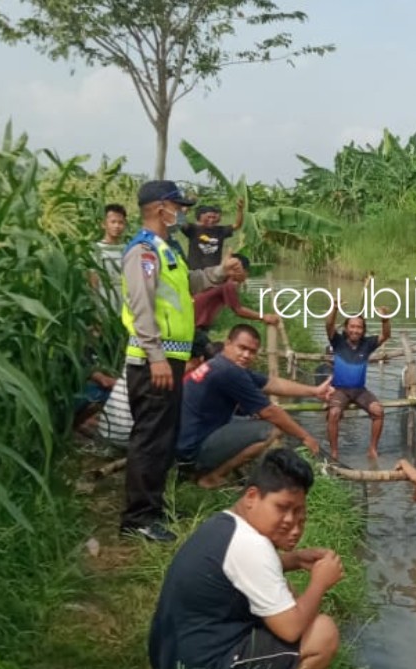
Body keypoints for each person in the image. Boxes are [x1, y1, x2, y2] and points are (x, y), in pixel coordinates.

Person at [120, 179, 244, 543]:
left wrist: (220, 272)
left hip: (169, 359)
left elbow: (189, 283)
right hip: (152, 362)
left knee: (162, 436)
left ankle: (152, 509)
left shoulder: (166, 249)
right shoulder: (143, 251)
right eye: (178, 206)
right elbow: (141, 307)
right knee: (150, 438)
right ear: (161, 208)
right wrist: (156, 356)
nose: (183, 212)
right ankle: (138, 519)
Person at [148, 448, 344, 669]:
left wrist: (295, 560)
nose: (290, 520)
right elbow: (291, 629)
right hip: (201, 660)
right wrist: (320, 582)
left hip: (174, 651)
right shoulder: (251, 545)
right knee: (322, 633)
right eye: (282, 507)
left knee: (281, 591)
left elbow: (233, 573)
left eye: (297, 511)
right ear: (252, 496)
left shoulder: (227, 523)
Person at [177, 324, 335, 489]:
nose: (246, 355)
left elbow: (271, 383)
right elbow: (269, 411)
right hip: (191, 449)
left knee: (246, 420)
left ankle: (203, 470)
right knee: (269, 430)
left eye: (252, 352)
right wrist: (305, 437)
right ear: (228, 343)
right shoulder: (229, 371)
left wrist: (314, 391)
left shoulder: (220, 364)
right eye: (242, 348)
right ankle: (210, 477)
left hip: (186, 439)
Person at [190, 252, 280, 370]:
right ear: (238, 270)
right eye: (246, 271)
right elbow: (238, 309)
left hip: (194, 326)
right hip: (195, 327)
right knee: (210, 359)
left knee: (199, 359)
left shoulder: (218, 281)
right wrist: (264, 317)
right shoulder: (228, 284)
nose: (246, 275)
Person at [324, 300, 391, 459]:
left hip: (360, 390)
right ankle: (334, 451)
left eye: (359, 327)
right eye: (352, 326)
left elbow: (386, 335)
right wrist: (334, 309)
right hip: (340, 390)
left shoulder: (367, 344)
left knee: (378, 411)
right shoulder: (338, 341)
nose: (355, 330)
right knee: (333, 413)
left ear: (363, 330)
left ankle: (372, 449)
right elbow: (329, 326)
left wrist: (385, 319)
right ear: (346, 328)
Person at [181, 198, 244, 269]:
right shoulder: (193, 229)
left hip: (214, 271)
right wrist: (185, 209)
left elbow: (237, 225)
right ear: (200, 217)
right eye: (208, 217)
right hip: (195, 271)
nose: (211, 220)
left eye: (214, 217)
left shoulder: (220, 230)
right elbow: (181, 223)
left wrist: (240, 209)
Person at [89, 203, 128, 314]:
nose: (117, 226)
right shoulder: (96, 250)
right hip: (105, 304)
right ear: (104, 224)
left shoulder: (127, 250)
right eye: (113, 222)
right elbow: (93, 284)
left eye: (120, 223)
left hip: (125, 304)